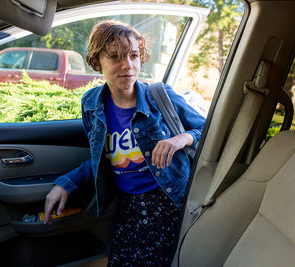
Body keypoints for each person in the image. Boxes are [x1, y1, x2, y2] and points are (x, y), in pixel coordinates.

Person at [44, 20, 205, 266]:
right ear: (97, 62)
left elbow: (206, 129)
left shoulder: (159, 96)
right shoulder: (92, 105)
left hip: (169, 203)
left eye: (133, 55)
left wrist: (180, 139)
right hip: (130, 208)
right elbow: (102, 158)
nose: (127, 65)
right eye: (115, 57)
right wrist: (65, 184)